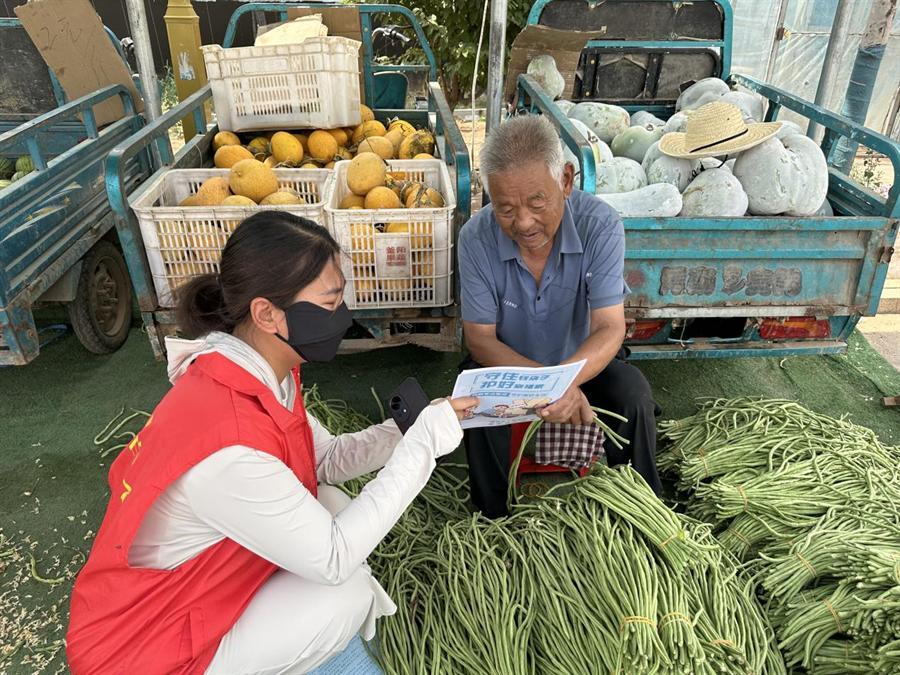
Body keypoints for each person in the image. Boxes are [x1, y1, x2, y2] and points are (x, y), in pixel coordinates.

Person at [65, 212, 477, 674]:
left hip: (196, 590)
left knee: (330, 501)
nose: (342, 314)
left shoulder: (261, 371)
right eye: (330, 300)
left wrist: (403, 430)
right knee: (348, 592)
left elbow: (324, 457)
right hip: (146, 648)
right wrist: (422, 448)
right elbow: (335, 559)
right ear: (266, 314)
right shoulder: (229, 449)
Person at [458, 114, 662, 518]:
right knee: (474, 410)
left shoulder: (599, 225)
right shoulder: (475, 238)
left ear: (567, 180)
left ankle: (646, 510)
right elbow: (480, 338)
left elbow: (608, 327)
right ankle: (492, 520)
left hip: (583, 361)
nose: (524, 223)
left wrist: (564, 381)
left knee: (633, 397)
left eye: (537, 203)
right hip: (510, 364)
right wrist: (547, 387)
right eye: (506, 209)